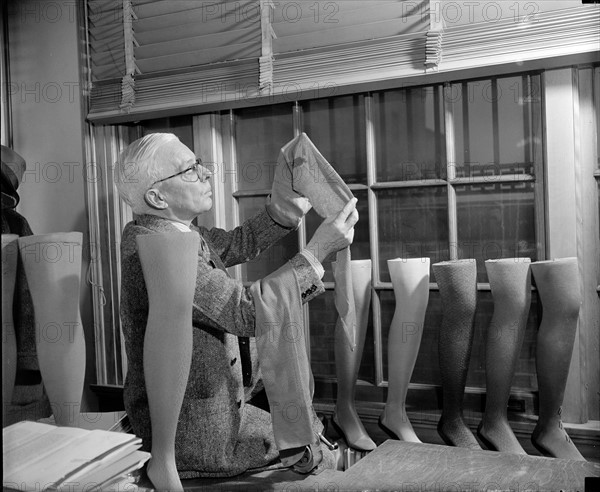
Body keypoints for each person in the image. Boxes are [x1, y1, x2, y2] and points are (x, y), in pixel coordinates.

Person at [115, 133, 358, 489]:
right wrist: (318, 251)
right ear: (156, 196)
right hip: (198, 434)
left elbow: (241, 241)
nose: (206, 174)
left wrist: (287, 205)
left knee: (315, 441)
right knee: (315, 452)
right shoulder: (154, 248)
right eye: (190, 170)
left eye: (199, 163)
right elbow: (245, 312)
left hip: (218, 411)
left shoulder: (170, 230)